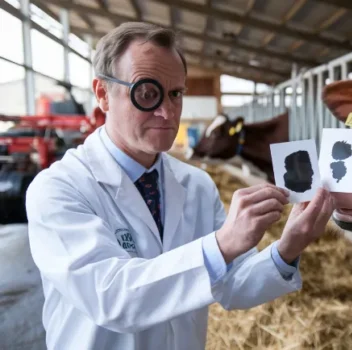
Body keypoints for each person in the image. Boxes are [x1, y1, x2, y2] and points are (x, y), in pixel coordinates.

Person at [25, 22, 335, 350]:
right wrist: (221, 244)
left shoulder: (197, 185)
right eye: (147, 92)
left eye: (176, 93)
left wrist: (289, 246)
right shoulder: (59, 189)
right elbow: (111, 298)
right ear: (103, 94)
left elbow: (233, 284)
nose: (167, 111)